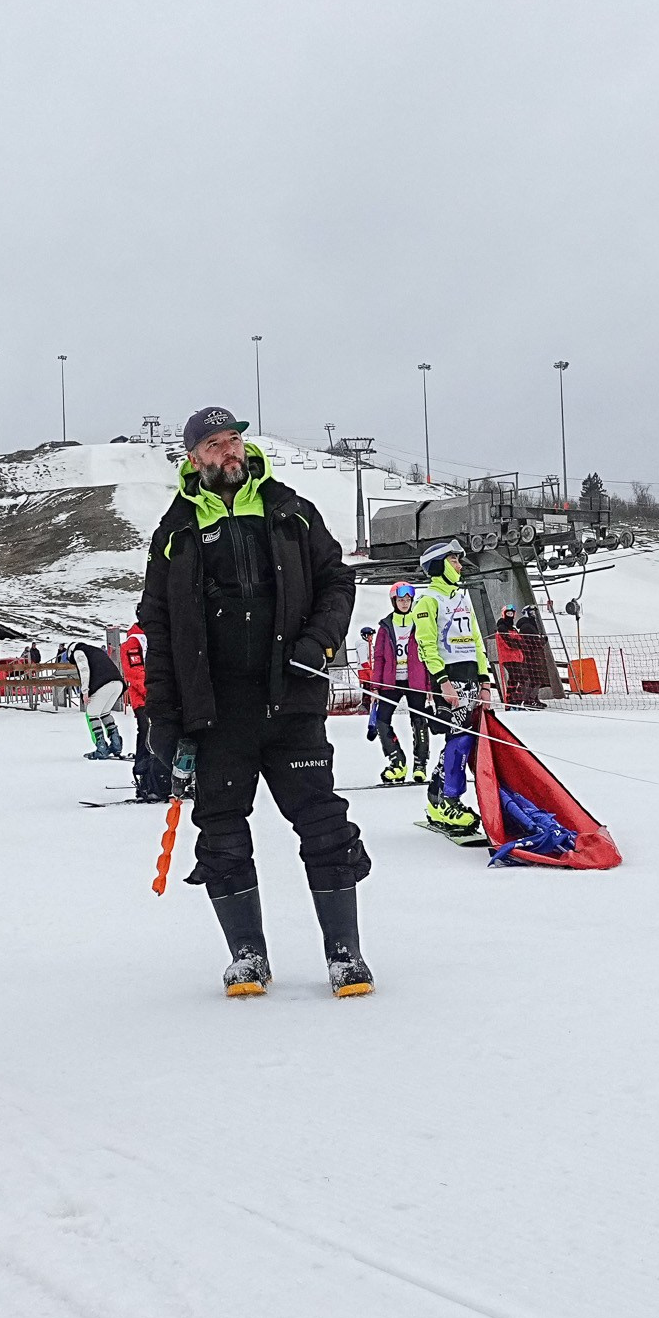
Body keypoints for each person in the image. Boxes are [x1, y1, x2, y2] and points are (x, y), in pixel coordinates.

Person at [137, 405, 371, 997]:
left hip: (291, 702)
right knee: (221, 833)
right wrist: (162, 717)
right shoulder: (175, 533)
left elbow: (337, 581)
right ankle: (248, 957)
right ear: (193, 458)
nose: (230, 451)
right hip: (217, 713)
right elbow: (157, 628)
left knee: (324, 825)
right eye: (215, 444)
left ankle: (345, 955)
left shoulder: (292, 511)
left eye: (234, 440)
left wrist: (319, 643)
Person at [413, 540, 492, 834]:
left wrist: (484, 681)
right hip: (449, 680)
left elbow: (476, 642)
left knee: (464, 741)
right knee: (458, 741)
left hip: (470, 677)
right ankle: (447, 800)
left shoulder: (461, 597)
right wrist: (443, 683)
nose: (459, 566)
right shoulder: (428, 600)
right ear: (439, 565)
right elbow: (426, 646)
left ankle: (439, 797)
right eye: (454, 560)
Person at [367, 581, 433, 785]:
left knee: (419, 720)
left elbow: (428, 652)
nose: (405, 603)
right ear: (393, 601)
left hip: (415, 681)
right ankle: (397, 761)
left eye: (408, 599)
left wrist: (430, 686)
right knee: (382, 720)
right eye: (400, 600)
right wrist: (375, 687)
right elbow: (379, 658)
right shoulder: (385, 626)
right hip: (391, 682)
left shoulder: (419, 622)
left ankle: (420, 764)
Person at [123, 620, 167, 802]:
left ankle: (161, 781)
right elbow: (135, 673)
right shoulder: (134, 642)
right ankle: (147, 782)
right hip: (144, 700)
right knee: (148, 738)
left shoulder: (153, 638)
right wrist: (153, 692)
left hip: (159, 697)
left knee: (159, 738)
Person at [69, 639, 128, 759]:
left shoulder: (78, 652)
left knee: (91, 715)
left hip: (103, 685)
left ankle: (101, 748)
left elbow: (84, 670)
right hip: (118, 683)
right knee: (105, 713)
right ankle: (116, 744)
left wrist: (85, 691)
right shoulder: (95, 650)